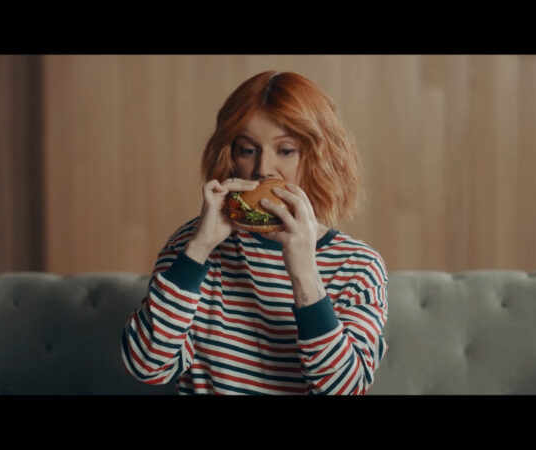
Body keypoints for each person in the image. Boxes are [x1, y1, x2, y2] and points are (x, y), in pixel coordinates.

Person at [121, 70, 388, 395]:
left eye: (285, 151)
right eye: (248, 150)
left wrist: (305, 275)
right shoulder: (192, 245)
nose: (263, 168)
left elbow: (344, 390)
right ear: (231, 157)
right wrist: (199, 249)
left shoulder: (358, 267)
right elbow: (147, 366)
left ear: (319, 157)